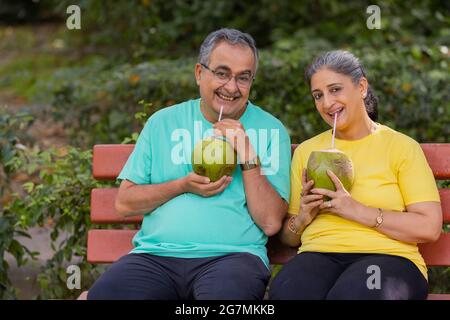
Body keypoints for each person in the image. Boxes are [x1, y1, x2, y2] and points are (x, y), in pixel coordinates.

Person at [87, 28, 291, 300]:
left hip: (232, 259)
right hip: (155, 257)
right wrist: (182, 185)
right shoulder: (162, 122)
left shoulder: (270, 129)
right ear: (199, 73)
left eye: (243, 77)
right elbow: (125, 203)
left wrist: (248, 157)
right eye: (221, 73)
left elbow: (269, 223)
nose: (231, 87)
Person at [269, 50, 442, 300]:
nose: (327, 103)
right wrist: (303, 218)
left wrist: (357, 210)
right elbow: (288, 237)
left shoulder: (401, 147)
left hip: (388, 258)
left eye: (335, 90)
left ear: (361, 87)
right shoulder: (308, 152)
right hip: (318, 255)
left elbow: (429, 227)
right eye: (318, 95)